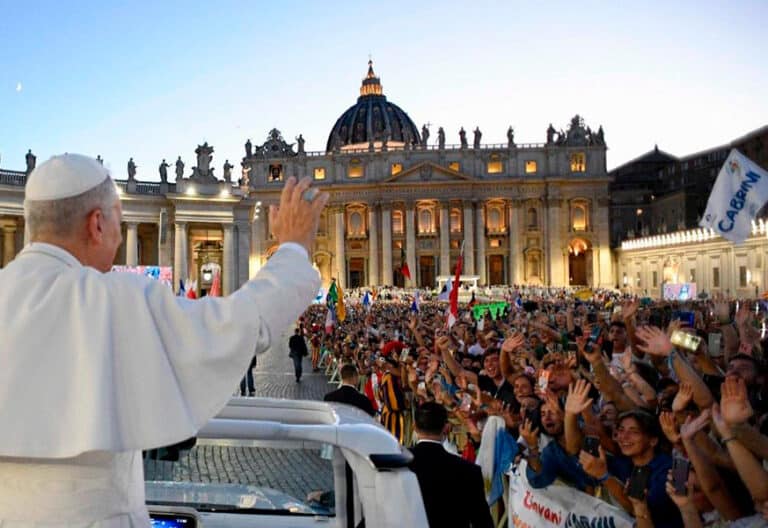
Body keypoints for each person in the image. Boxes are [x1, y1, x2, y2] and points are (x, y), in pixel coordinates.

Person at [0, 154, 329, 527]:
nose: (118, 236)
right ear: (97, 224)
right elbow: (244, 323)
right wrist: (293, 248)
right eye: (118, 221)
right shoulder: (115, 299)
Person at [408, 402, 493, 528]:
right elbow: (482, 522)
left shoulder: (398, 464)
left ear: (414, 427)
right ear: (446, 428)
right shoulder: (468, 471)